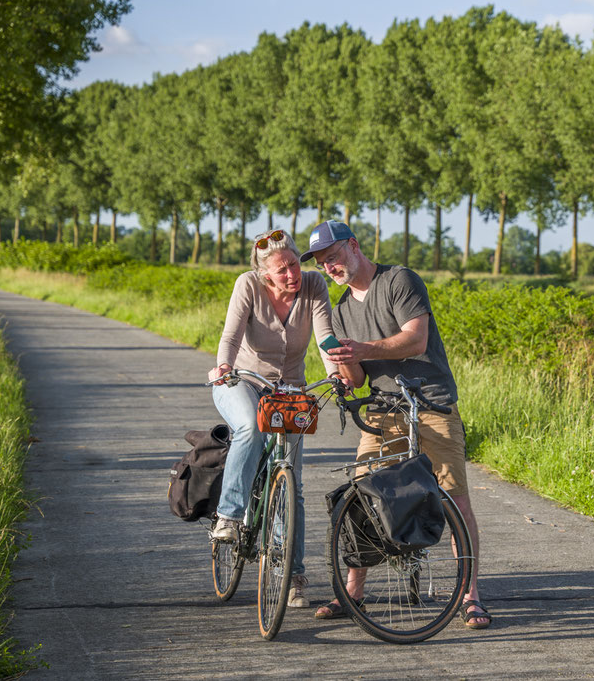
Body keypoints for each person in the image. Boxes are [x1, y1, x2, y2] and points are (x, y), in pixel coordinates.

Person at [300, 220, 491, 630]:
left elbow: (415, 340)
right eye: (322, 263)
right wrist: (342, 368)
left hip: (432, 403)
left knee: (453, 498)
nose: (330, 267)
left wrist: (362, 348)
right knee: (363, 496)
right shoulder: (341, 312)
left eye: (333, 257)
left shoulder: (398, 280)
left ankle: (471, 596)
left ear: (353, 246)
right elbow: (358, 379)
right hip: (384, 409)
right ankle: (352, 592)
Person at [208, 229, 336, 609]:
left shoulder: (314, 286)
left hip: (289, 391)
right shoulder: (247, 284)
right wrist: (224, 366)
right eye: (282, 270)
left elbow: (325, 338)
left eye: (294, 264)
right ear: (265, 274)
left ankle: (293, 575)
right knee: (248, 426)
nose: (292, 274)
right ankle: (229, 517)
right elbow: (230, 336)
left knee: (291, 482)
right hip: (242, 381)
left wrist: (336, 372)